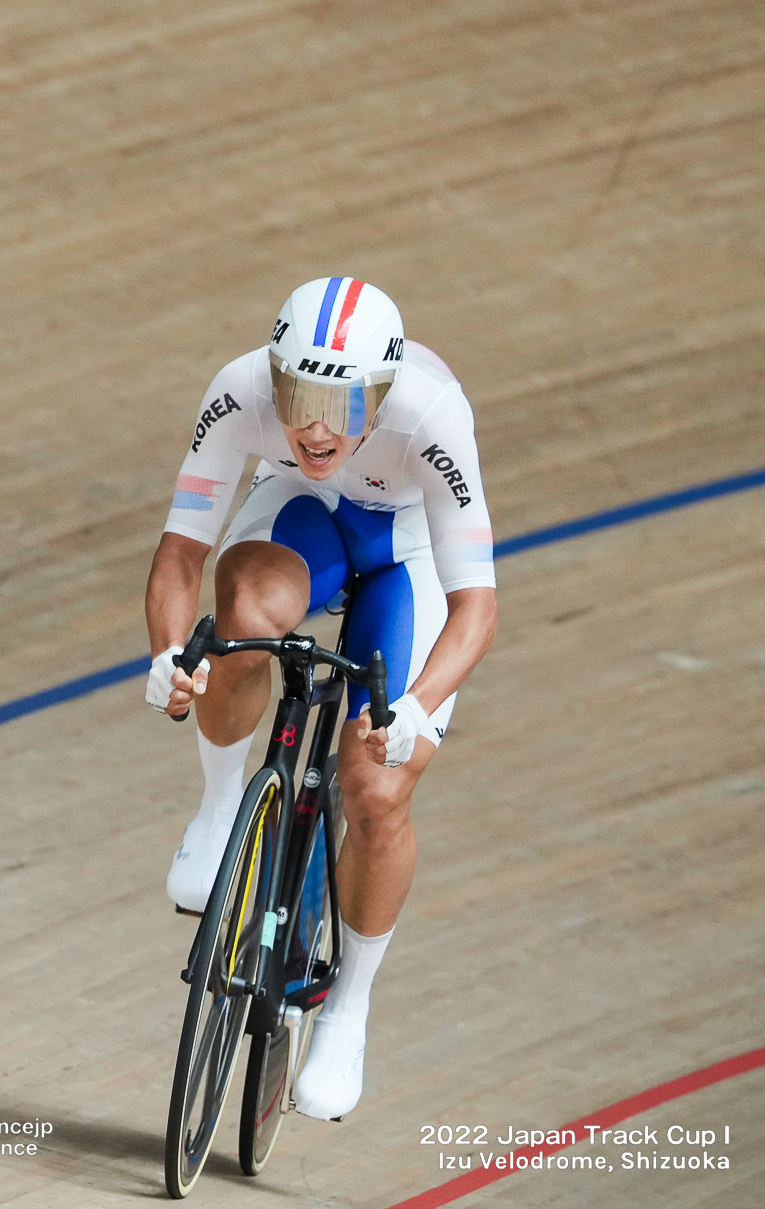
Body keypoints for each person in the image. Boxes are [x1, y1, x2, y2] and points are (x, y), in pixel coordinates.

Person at [141, 277, 497, 1120]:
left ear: (381, 393)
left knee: (376, 790)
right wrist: (167, 652)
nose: (313, 425)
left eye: (340, 403)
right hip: (304, 516)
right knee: (241, 618)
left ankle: (350, 1007)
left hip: (407, 556)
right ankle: (223, 806)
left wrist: (415, 706)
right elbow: (180, 556)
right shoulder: (238, 393)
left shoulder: (434, 413)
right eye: (297, 394)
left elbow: (477, 607)